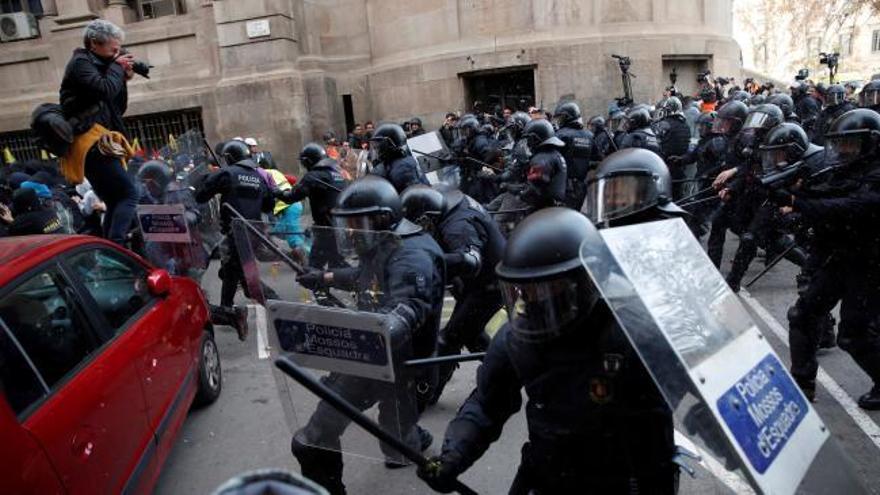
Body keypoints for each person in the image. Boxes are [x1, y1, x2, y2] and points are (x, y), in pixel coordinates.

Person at [418, 207, 677, 494]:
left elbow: (658, 430)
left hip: (618, 480)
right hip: (547, 471)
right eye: (525, 293)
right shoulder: (517, 337)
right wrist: (454, 455)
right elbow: (487, 403)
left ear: (586, 281)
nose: (535, 305)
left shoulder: (632, 335)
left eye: (547, 292)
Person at [292, 176, 446, 494]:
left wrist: (354, 336)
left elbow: (406, 310)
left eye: (357, 223)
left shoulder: (411, 255)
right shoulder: (383, 244)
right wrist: (324, 277)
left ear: (383, 219)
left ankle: (408, 435)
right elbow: (367, 279)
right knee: (313, 440)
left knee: (395, 447)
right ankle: (408, 437)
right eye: (347, 224)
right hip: (373, 355)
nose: (350, 232)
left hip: (395, 362)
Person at [774, 108, 880, 409]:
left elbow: (852, 206)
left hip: (870, 264)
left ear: (869, 143)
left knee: (854, 334)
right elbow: (823, 194)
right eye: (840, 144)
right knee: (804, 315)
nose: (843, 151)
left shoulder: (876, 173)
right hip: (838, 256)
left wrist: (799, 202)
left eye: (850, 144)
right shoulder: (841, 169)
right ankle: (802, 387)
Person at [400, 184, 506, 404]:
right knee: (470, 332)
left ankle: (425, 394)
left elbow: (470, 260)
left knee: (449, 338)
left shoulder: (457, 226)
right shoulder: (447, 203)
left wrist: (429, 260)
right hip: (485, 279)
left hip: (488, 285)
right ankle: (509, 370)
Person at [58, 19, 138, 246]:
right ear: (94, 44)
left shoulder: (100, 67)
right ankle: (118, 246)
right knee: (129, 194)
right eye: (113, 50)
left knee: (114, 200)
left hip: (98, 139)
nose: (117, 54)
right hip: (89, 142)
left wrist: (123, 76)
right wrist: (116, 67)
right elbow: (104, 88)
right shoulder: (80, 63)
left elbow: (117, 108)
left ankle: (111, 249)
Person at [196, 140, 275, 340]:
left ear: (229, 158)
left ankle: (282, 309)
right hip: (254, 234)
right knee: (230, 273)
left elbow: (201, 195)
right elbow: (268, 206)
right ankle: (228, 312)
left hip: (236, 235)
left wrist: (211, 177)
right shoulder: (259, 177)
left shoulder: (227, 174)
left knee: (250, 285)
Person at [278, 143, 348, 269]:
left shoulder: (313, 176)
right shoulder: (337, 173)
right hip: (341, 226)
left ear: (308, 161)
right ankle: (362, 284)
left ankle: (365, 283)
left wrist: (275, 191)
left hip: (327, 229)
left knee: (313, 269)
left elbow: (291, 197)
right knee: (336, 265)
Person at [553, 102, 597, 209]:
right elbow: (597, 159)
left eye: (561, 117)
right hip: (584, 186)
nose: (559, 121)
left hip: (564, 187)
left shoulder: (560, 135)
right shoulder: (589, 135)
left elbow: (552, 159)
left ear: (568, 117)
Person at [519, 119, 567, 209]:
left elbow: (534, 188)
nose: (528, 143)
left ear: (535, 138)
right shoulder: (555, 154)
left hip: (544, 208)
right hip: (556, 207)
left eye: (529, 139)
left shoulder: (541, 159)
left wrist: (517, 191)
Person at [368, 123, 428, 193]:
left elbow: (411, 199)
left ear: (390, 144)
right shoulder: (391, 162)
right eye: (375, 145)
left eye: (378, 145)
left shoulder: (403, 167)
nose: (376, 148)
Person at [655, 96, 693, 200]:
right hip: (680, 167)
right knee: (678, 198)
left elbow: (656, 144)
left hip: (665, 167)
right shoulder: (685, 125)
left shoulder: (664, 124)